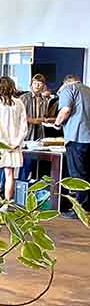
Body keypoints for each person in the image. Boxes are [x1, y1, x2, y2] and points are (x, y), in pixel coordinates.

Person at [0, 76, 28, 206]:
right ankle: (7, 204)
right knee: (9, 174)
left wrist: (1, 142)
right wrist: (16, 143)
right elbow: (24, 126)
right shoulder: (19, 103)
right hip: (13, 145)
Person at [54, 74, 90, 214]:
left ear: (65, 82)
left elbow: (66, 110)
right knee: (87, 172)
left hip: (76, 136)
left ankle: (80, 209)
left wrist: (57, 124)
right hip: (88, 137)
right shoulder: (87, 90)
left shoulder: (69, 89)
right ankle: (87, 206)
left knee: (77, 175)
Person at [22, 73, 57, 142]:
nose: (37, 86)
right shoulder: (24, 98)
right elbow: (19, 116)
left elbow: (45, 116)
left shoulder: (45, 99)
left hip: (40, 133)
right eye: (35, 83)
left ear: (43, 86)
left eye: (39, 83)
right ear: (31, 85)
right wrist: (34, 120)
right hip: (26, 132)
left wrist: (48, 119)